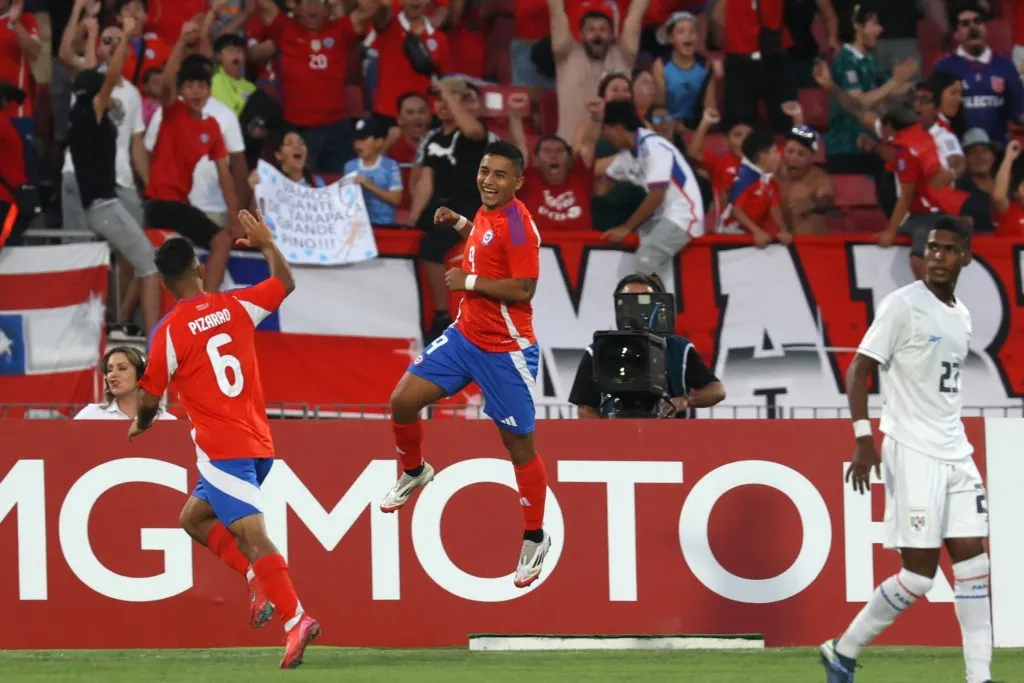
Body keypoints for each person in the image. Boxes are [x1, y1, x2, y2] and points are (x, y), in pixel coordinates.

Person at [129, 211, 318, 669]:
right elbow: (286, 283)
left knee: (253, 534)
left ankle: (295, 617)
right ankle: (257, 578)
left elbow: (150, 397)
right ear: (198, 269)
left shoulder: (168, 332)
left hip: (221, 451)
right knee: (193, 518)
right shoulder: (236, 305)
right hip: (259, 442)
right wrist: (268, 243)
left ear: (164, 284)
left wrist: (143, 422)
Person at [820, 217, 992, 683]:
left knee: (975, 568)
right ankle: (843, 649)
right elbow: (859, 369)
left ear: (965, 257)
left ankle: (979, 677)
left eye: (948, 249)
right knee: (918, 576)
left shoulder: (961, 315)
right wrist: (863, 438)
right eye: (932, 248)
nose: (937, 256)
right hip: (913, 451)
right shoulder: (902, 305)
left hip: (956, 452)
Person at [380, 140, 551, 589]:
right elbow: (485, 242)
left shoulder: (520, 226)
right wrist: (459, 223)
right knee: (402, 402)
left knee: (519, 448)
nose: (488, 180)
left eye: (499, 175)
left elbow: (524, 289)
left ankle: (535, 537)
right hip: (464, 337)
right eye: (484, 171)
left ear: (518, 181)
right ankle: (414, 471)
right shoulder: (489, 212)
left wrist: (469, 281)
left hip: (505, 351)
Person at [65, 17, 162, 337]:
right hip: (104, 206)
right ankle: (153, 336)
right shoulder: (91, 114)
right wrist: (127, 37)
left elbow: (94, 75)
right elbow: (111, 76)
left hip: (102, 204)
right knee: (149, 262)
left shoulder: (80, 115)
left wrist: (95, 35)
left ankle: (121, 321)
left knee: (142, 260)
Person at [143, 22, 239, 293]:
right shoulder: (173, 112)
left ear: (209, 90)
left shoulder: (212, 127)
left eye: (202, 86)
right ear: (182, 90)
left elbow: (225, 175)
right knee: (221, 241)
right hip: (161, 203)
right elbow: (165, 83)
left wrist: (235, 219)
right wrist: (181, 42)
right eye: (190, 86)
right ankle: (207, 304)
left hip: (178, 205)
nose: (196, 91)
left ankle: (125, 313)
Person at [569, 273, 725, 419]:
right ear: (619, 305)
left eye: (644, 300)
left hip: (670, 434)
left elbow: (716, 390)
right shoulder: (599, 349)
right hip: (616, 434)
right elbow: (585, 407)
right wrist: (607, 435)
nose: (637, 308)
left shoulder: (679, 348)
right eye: (629, 301)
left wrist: (685, 401)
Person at [597, 100, 705, 277]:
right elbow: (601, 189)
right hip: (661, 217)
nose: (603, 136)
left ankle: (651, 297)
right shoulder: (627, 155)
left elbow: (657, 195)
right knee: (631, 259)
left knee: (646, 260)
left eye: (604, 130)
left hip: (684, 216)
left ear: (616, 128)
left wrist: (626, 227)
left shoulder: (654, 147)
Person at [718, 130, 792, 247]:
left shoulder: (766, 178)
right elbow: (736, 210)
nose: (779, 155)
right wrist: (757, 231)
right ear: (762, 156)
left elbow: (774, 208)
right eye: (775, 151)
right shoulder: (744, 179)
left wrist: (784, 230)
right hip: (732, 233)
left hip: (752, 234)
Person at [74, 346, 176, 421]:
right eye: (109, 370)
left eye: (122, 368)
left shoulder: (167, 420)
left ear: (141, 375)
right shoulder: (90, 414)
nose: (113, 374)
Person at [778, 125, 835, 235]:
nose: (793, 158)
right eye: (790, 151)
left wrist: (811, 204)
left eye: (801, 154)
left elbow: (828, 201)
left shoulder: (819, 177)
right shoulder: (772, 172)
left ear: (812, 157)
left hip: (809, 242)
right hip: (775, 242)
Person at [344, 116, 403, 225]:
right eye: (356, 140)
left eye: (363, 139)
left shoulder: (390, 166)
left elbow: (396, 199)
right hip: (358, 226)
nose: (358, 144)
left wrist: (370, 186)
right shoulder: (349, 166)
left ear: (378, 142)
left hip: (385, 225)